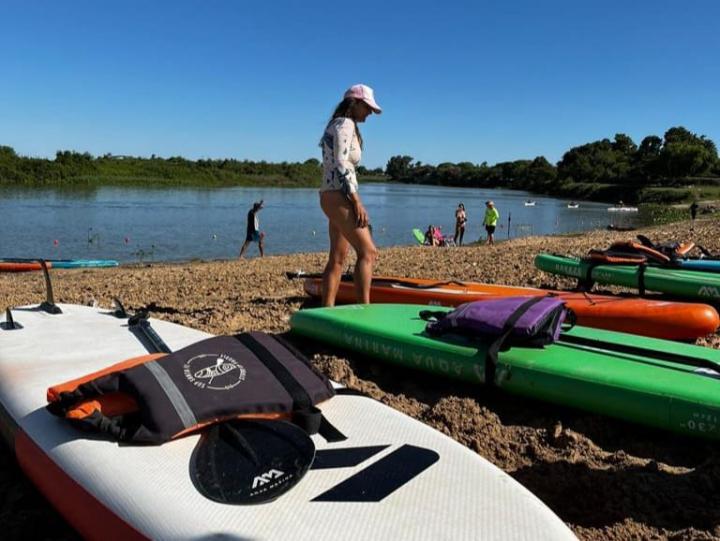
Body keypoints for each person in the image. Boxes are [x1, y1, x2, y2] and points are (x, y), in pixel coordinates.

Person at [318, 83, 382, 306]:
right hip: (339, 196)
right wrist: (356, 202)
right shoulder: (344, 124)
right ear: (354, 104)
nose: (370, 113)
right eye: (367, 108)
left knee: (337, 258)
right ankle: (364, 309)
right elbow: (342, 163)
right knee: (368, 252)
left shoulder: (339, 124)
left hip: (331, 195)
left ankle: (327, 311)